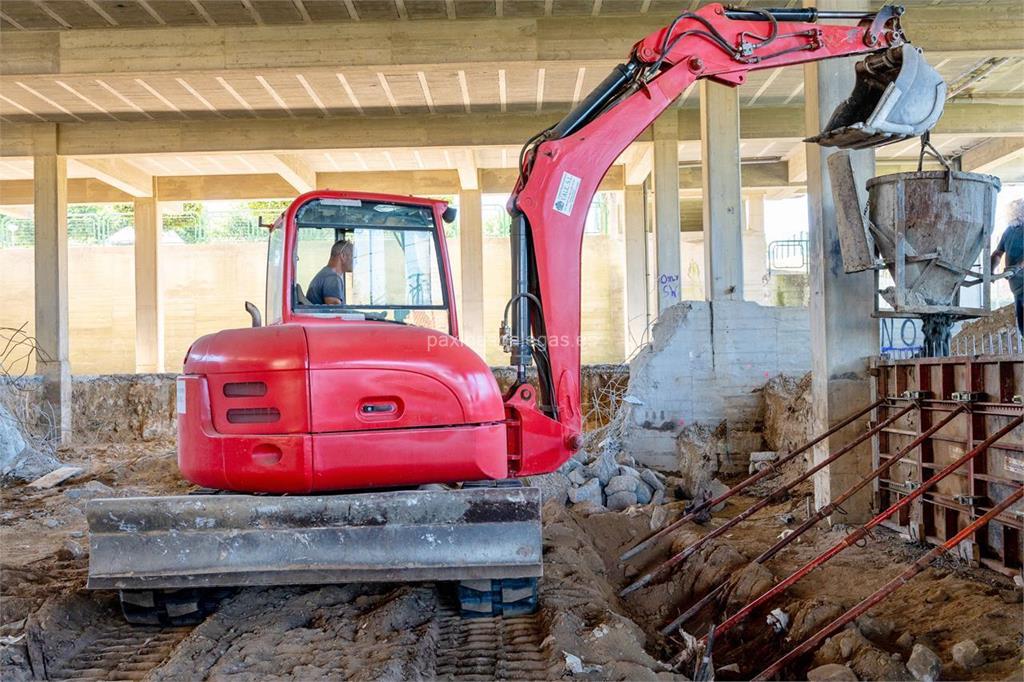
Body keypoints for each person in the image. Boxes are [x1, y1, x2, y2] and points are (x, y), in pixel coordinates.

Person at [991, 198, 1024, 334]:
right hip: (1016, 284)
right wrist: (991, 270)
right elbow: (997, 254)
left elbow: (997, 254)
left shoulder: (1009, 231)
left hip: (1018, 281)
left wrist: (1019, 266)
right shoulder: (1009, 231)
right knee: (1021, 322)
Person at [306, 239, 354, 305]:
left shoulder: (326, 273)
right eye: (353, 256)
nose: (355, 261)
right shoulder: (332, 278)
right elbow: (336, 311)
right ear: (343, 256)